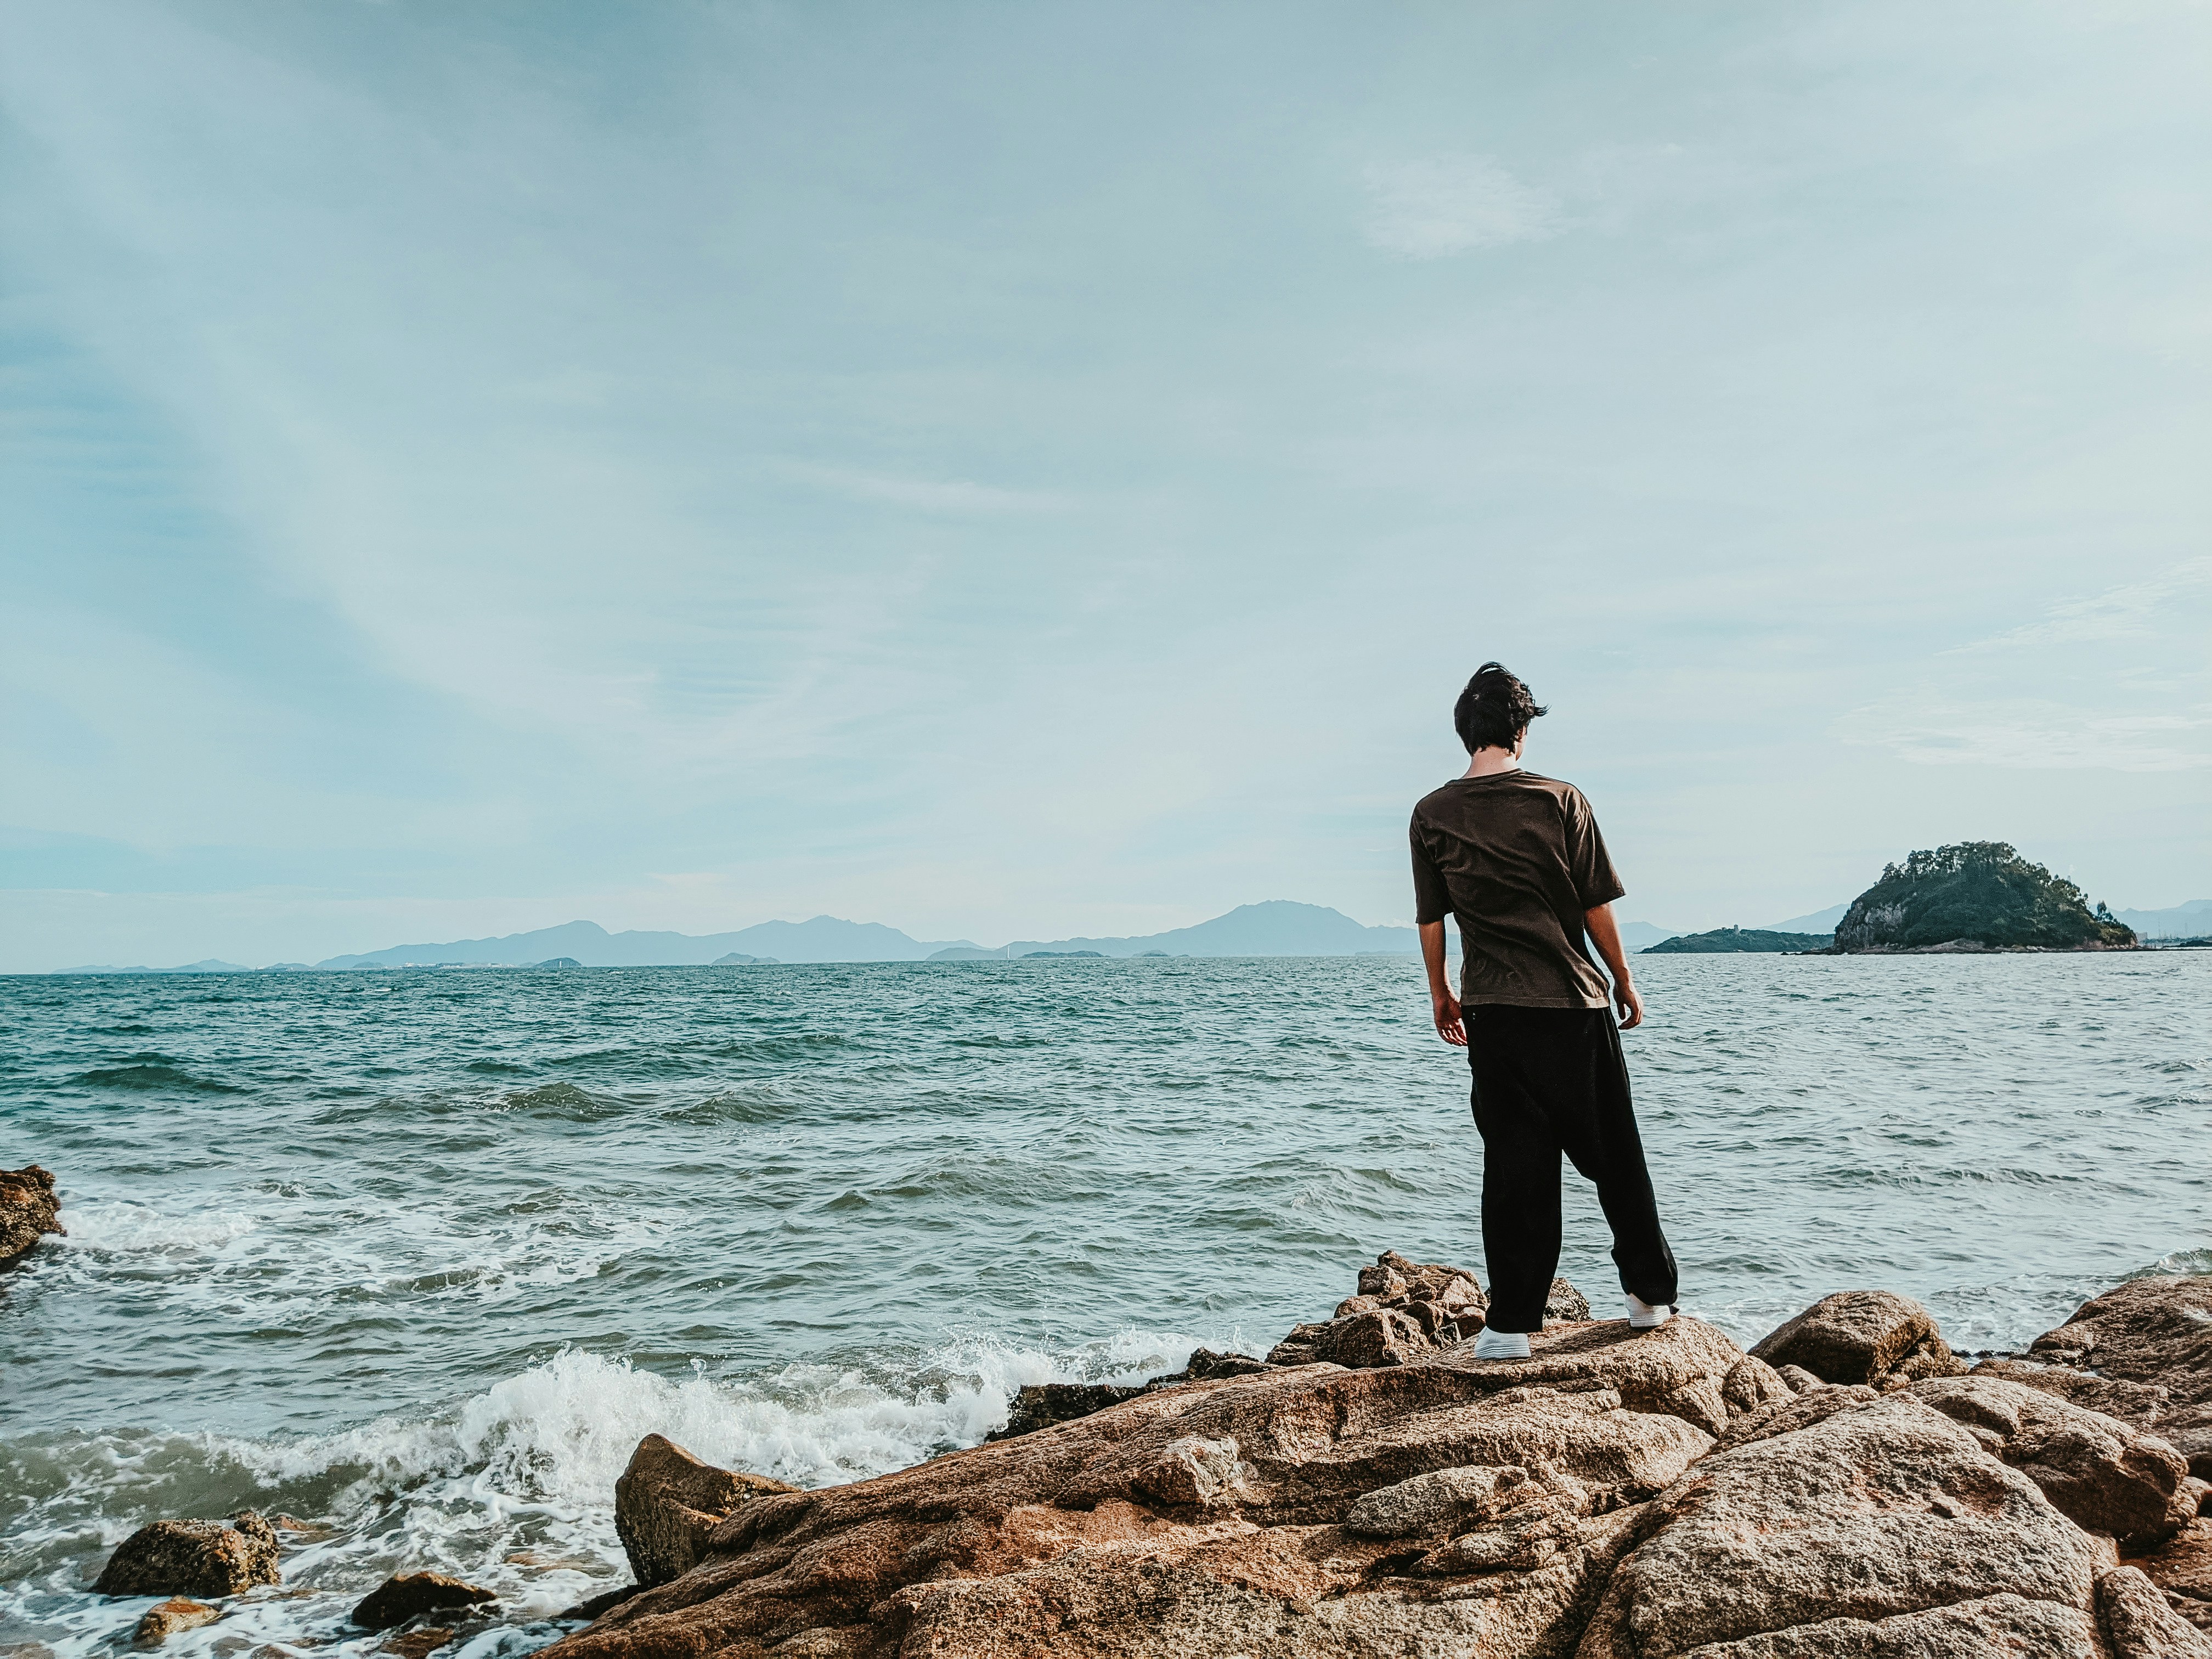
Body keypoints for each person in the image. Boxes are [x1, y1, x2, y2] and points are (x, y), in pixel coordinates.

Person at [1409, 662, 1679, 1361]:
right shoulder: (1561, 800)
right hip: (1569, 1004)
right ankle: (1649, 1297)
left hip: (1493, 1013)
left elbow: (1431, 918)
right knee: (1614, 1153)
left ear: (1466, 732)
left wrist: (1441, 992)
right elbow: (1595, 906)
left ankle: (1509, 1328)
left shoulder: (1431, 813)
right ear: (1520, 731)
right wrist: (1623, 978)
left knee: (1515, 1166)